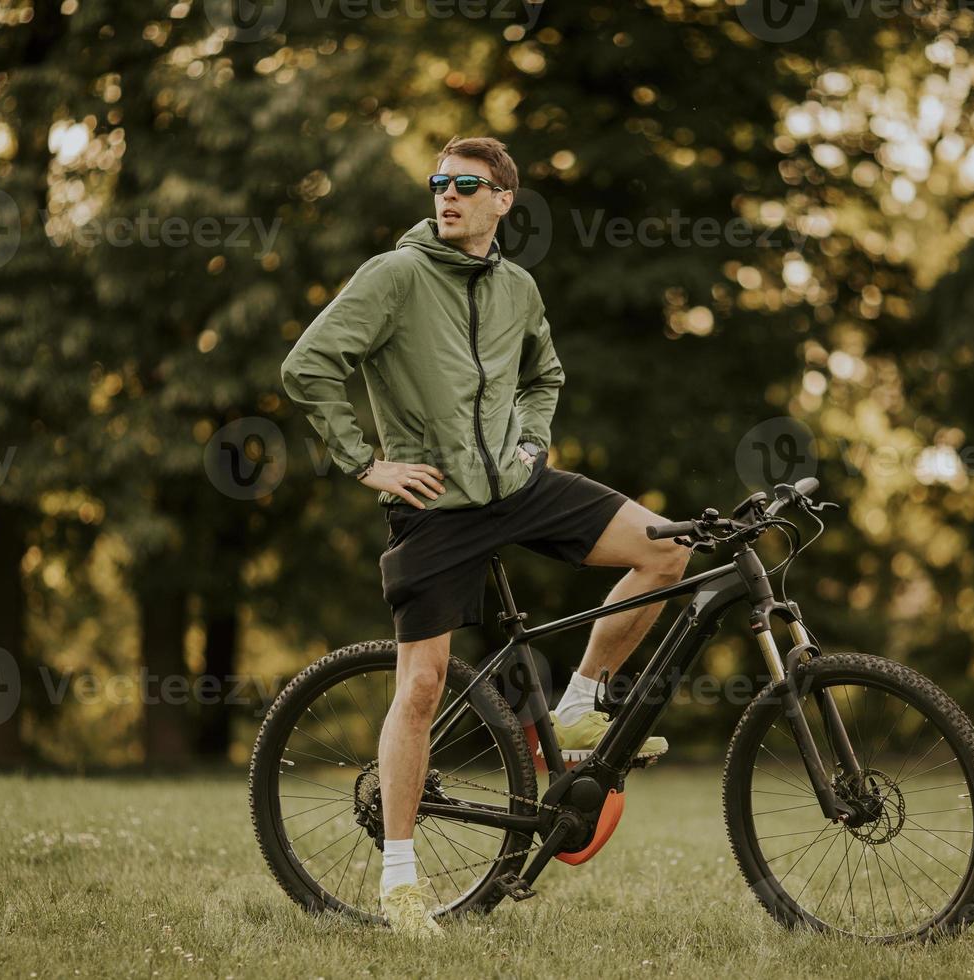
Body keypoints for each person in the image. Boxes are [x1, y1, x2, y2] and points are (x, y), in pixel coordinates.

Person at [281, 136, 691, 938]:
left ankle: (576, 707)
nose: (448, 195)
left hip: (517, 485)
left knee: (666, 547)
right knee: (424, 686)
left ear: (505, 200)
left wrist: (532, 439)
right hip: (433, 505)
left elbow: (545, 375)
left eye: (467, 185)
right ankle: (401, 881)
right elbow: (308, 366)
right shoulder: (396, 275)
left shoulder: (519, 288)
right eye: (439, 183)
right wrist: (368, 464)